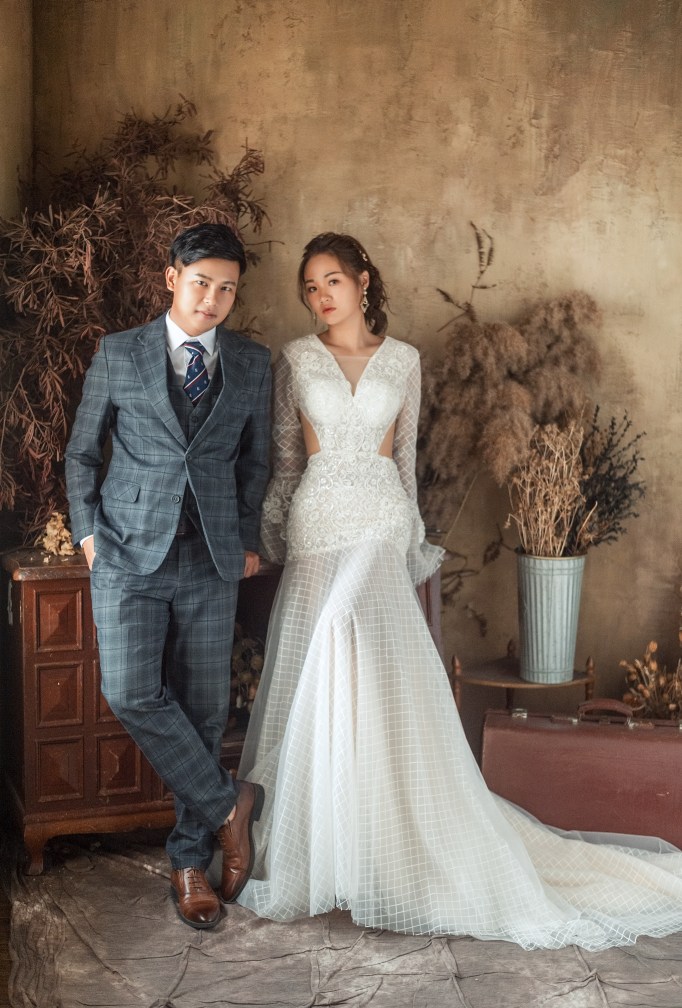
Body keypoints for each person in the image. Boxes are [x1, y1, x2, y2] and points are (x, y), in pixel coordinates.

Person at [236, 231, 682, 951]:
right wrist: (273, 540)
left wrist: (410, 539)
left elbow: (404, 465)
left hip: (381, 523)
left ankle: (388, 849)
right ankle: (330, 850)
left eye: (331, 282)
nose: (320, 297)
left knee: (356, 652)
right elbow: (288, 461)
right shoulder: (296, 359)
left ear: (363, 281)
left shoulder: (404, 361)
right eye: (310, 287)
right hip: (316, 525)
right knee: (333, 673)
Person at [65, 222, 271, 931]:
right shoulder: (119, 352)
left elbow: (256, 461)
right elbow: (82, 451)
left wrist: (247, 538)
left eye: (227, 289)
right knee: (129, 691)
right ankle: (229, 805)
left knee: (205, 712)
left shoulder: (251, 363)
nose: (212, 299)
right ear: (172, 279)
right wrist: (87, 532)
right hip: (126, 552)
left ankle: (189, 862)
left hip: (211, 559)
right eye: (201, 282)